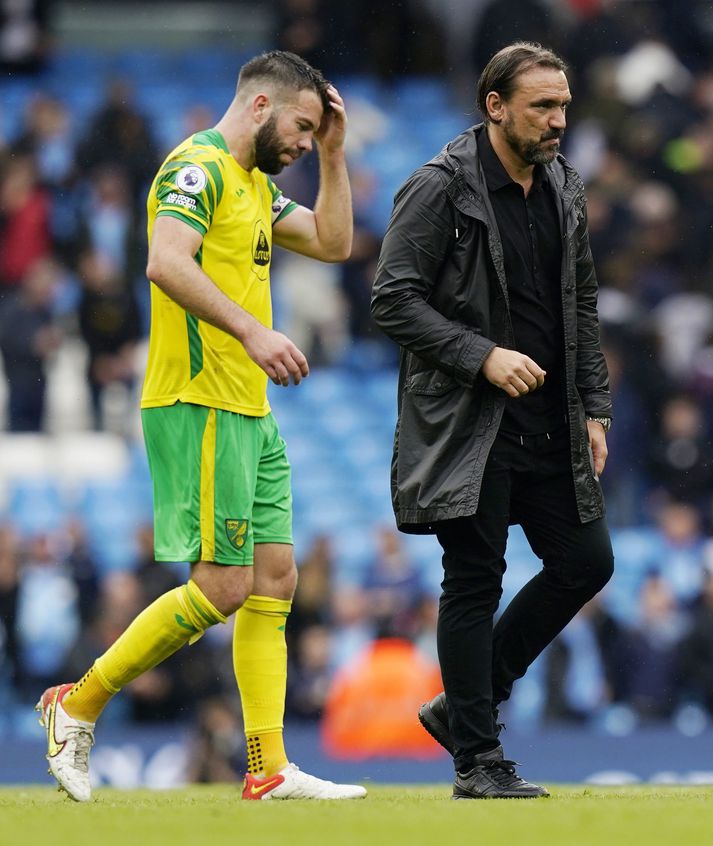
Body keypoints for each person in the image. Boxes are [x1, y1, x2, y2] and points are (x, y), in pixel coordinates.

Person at [36, 50, 365, 802]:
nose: (307, 142)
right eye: (304, 127)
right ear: (259, 106)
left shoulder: (255, 183)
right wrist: (254, 331)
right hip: (198, 399)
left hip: (250, 407)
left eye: (317, 134)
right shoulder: (198, 168)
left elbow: (334, 242)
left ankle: (267, 764)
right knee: (221, 586)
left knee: (275, 577)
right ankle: (76, 705)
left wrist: (338, 154)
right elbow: (163, 261)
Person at [371, 42, 615, 799]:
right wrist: (481, 356)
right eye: (542, 106)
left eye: (563, 105)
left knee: (587, 562)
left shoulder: (562, 185)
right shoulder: (439, 187)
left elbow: (579, 302)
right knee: (473, 579)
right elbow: (391, 297)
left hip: (550, 418)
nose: (557, 120)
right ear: (494, 105)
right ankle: (477, 759)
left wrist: (594, 407)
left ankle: (459, 708)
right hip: (470, 422)